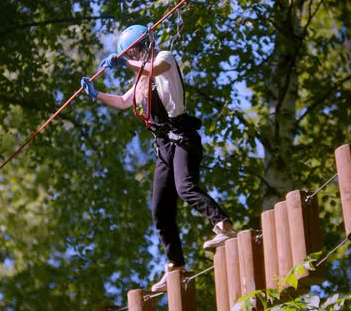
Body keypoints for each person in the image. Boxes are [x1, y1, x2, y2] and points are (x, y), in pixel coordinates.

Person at [80, 24, 236, 292]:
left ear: (145, 46)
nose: (136, 55)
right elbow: (123, 101)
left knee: (185, 187)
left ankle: (224, 226)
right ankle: (175, 265)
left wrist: (123, 61)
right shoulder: (139, 79)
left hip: (182, 137)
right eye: (132, 52)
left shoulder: (165, 59)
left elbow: (151, 69)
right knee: (160, 211)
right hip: (163, 146)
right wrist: (96, 95)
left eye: (136, 50)